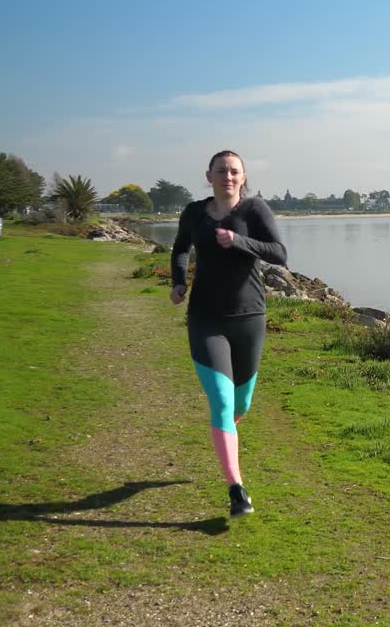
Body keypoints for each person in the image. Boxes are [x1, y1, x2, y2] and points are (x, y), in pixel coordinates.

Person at [170, 150, 287, 517]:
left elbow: (279, 254)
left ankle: (223, 434)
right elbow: (180, 249)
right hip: (206, 319)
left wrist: (238, 241)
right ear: (209, 175)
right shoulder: (193, 213)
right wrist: (178, 282)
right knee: (221, 402)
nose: (228, 176)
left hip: (249, 317)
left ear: (243, 176)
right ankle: (236, 489)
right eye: (221, 170)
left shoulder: (254, 211)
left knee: (241, 405)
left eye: (234, 171)